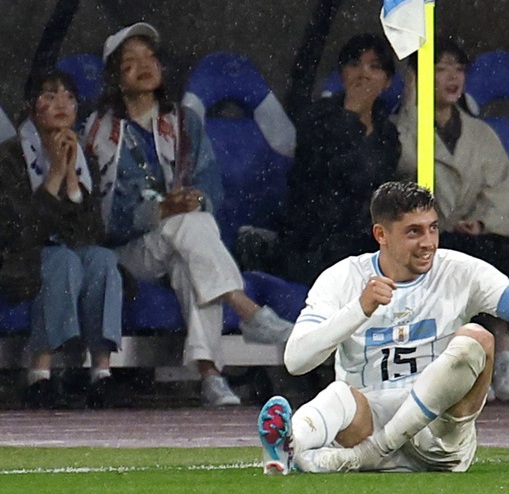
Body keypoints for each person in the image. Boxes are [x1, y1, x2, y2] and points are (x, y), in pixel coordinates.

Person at [257, 181, 509, 474]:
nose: (428, 243)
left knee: (477, 339)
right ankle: (289, 447)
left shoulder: (461, 271)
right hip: (367, 425)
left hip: (438, 439)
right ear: (381, 234)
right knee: (338, 394)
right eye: (413, 232)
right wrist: (359, 309)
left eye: (433, 229)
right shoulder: (342, 278)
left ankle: (359, 457)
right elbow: (296, 360)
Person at [83, 22, 292, 407]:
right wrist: (160, 210)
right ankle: (246, 310)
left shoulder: (183, 123)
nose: (144, 65)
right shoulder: (97, 131)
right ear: (115, 76)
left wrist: (194, 200)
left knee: (191, 254)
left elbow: (211, 187)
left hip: (180, 244)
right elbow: (97, 219)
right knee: (188, 229)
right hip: (125, 255)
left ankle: (211, 376)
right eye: (131, 61)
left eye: (150, 57)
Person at [392, 37, 509, 401]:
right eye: (439, 69)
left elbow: (499, 192)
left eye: (458, 69)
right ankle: (461, 365)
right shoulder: (404, 129)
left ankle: (505, 350)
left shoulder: (483, 135)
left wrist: (482, 222)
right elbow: (402, 165)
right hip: (429, 237)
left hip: (474, 234)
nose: (451, 78)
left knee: (501, 257)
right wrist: (410, 104)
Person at [0, 70, 122, 409]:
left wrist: (70, 177)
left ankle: (101, 372)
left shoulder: (85, 157)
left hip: (66, 254)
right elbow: (23, 233)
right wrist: (52, 174)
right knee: (61, 260)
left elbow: (91, 234)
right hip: (19, 261)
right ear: (31, 106)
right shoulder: (8, 158)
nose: (61, 104)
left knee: (102, 259)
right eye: (50, 95)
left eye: (69, 96)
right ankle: (40, 375)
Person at [281, 33, 403, 286]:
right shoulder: (317, 119)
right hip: (316, 241)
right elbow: (326, 181)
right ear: (342, 74)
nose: (363, 74)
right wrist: (350, 117)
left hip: (369, 238)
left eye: (374, 66)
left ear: (387, 81)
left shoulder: (387, 132)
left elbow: (380, 187)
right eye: (354, 64)